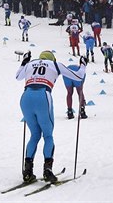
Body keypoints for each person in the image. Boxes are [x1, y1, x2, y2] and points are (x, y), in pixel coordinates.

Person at [16, 50, 88, 183]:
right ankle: (47, 171)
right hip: (43, 96)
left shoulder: (30, 64)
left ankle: (27, 171)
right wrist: (83, 64)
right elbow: (78, 77)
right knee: (48, 135)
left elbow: (18, 77)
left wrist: (24, 62)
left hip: (26, 98)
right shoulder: (55, 65)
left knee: (34, 135)